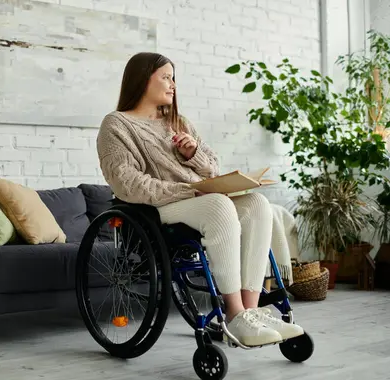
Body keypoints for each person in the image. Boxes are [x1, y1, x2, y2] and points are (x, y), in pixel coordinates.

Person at [96, 52, 304, 347]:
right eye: (166, 77)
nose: (173, 85)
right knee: (218, 206)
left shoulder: (179, 122)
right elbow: (127, 183)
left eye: (173, 78)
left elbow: (213, 169)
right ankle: (233, 312)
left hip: (199, 200)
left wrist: (193, 153)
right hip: (158, 209)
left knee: (258, 204)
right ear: (143, 80)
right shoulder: (116, 125)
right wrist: (189, 190)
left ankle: (249, 312)